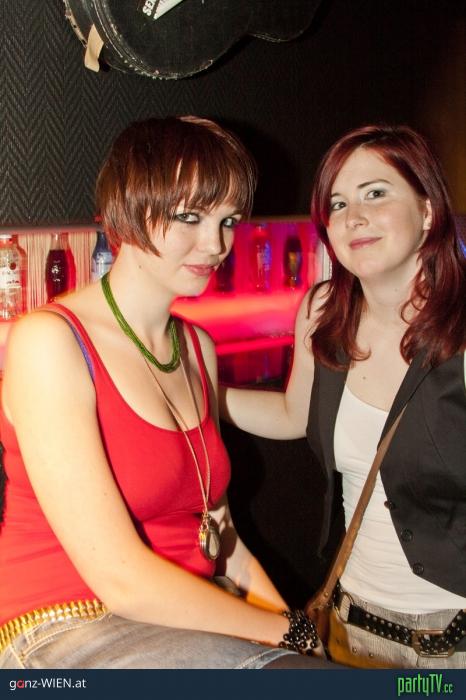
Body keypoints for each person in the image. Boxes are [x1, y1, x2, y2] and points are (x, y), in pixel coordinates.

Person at [0, 116, 332, 669]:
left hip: (184, 618)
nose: (216, 244)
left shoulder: (196, 347)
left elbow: (223, 538)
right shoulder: (50, 342)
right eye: (190, 217)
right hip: (63, 627)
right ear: (129, 208)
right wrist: (283, 632)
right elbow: (120, 578)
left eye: (229, 221)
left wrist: (297, 629)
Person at [220, 124, 466, 668]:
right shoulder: (323, 311)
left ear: (428, 211)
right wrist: (195, 394)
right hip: (351, 630)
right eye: (337, 202)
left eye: (375, 193)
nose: (353, 216)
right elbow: (294, 413)